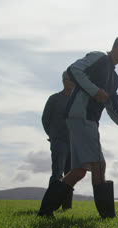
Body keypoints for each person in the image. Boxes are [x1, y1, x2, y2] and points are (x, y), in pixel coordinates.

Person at [38, 35, 118, 218]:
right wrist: (94, 91)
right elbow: (73, 70)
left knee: (78, 170)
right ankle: (107, 217)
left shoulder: (114, 79)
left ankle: (46, 211)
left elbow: (113, 107)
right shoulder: (98, 57)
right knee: (99, 165)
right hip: (81, 116)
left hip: (89, 120)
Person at [41, 71, 75, 210]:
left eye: (73, 80)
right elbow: (45, 119)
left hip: (73, 142)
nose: (70, 82)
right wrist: (53, 135)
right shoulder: (54, 99)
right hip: (58, 140)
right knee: (57, 173)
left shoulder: (77, 101)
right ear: (63, 81)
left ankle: (67, 206)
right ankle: (49, 206)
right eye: (68, 80)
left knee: (71, 174)